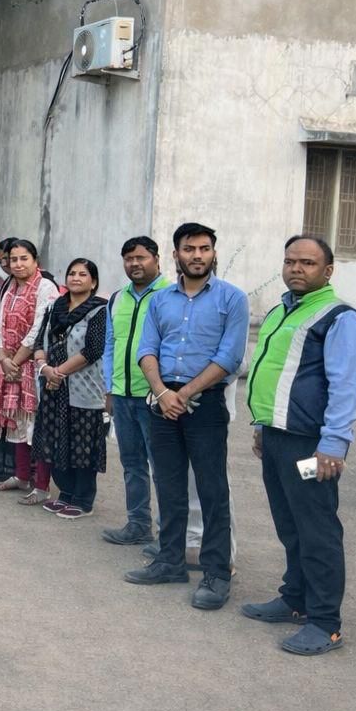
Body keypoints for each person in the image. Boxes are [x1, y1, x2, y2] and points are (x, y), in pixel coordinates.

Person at [242, 235, 356, 656]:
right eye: (290, 261)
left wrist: (333, 444)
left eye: (308, 263)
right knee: (289, 522)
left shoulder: (340, 319)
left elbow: (347, 386)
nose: (296, 268)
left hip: (313, 446)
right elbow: (274, 374)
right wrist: (262, 427)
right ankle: (295, 598)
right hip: (277, 438)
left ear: (328, 271)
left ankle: (325, 622)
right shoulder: (283, 309)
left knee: (317, 529)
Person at [126, 222, 249, 612]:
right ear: (176, 253)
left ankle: (216, 572)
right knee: (169, 485)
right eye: (189, 249)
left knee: (212, 490)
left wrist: (185, 393)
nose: (197, 255)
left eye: (204, 248)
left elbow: (230, 356)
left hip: (205, 403)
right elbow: (146, 349)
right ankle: (169, 561)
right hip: (163, 401)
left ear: (214, 253)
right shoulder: (161, 300)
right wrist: (163, 393)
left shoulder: (232, 298)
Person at [99, 236, 169, 546]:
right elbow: (110, 344)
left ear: (156, 258)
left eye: (141, 257)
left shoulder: (170, 295)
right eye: (129, 259)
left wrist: (165, 391)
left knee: (162, 468)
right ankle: (138, 524)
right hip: (122, 394)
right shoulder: (117, 298)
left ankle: (168, 535)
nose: (134, 264)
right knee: (132, 464)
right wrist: (110, 388)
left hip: (156, 397)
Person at [32, 258, 108, 518]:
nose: (76, 278)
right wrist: (45, 369)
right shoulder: (55, 307)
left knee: (82, 444)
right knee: (56, 439)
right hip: (53, 386)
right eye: (72, 273)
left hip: (83, 389)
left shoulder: (99, 310)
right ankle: (65, 493)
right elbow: (39, 341)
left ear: (93, 282)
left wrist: (59, 371)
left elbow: (93, 349)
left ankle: (83, 500)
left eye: (83, 274)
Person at [0, 239, 62, 502]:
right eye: (13, 259)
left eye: (23, 259)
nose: (18, 264)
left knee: (37, 425)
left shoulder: (46, 287)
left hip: (33, 366)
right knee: (18, 422)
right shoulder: (10, 287)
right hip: (10, 364)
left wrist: (15, 362)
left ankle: (41, 486)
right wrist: (2, 358)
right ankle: (21, 476)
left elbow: (39, 329)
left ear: (35, 260)